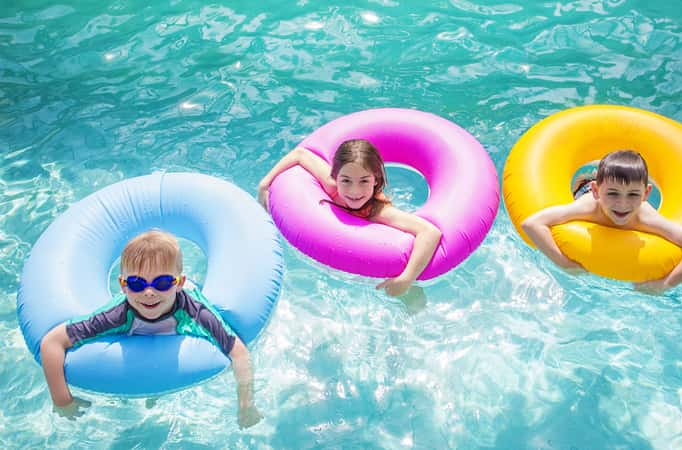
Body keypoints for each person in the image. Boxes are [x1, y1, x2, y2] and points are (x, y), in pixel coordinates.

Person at [39, 230, 262, 428]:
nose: (148, 292)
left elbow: (238, 352)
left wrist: (245, 405)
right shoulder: (116, 314)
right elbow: (52, 343)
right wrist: (62, 401)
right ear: (122, 285)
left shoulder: (195, 311)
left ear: (180, 283)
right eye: (136, 283)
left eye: (162, 283)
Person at [257, 139, 442, 297]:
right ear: (336, 177)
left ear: (376, 180)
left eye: (364, 181)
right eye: (346, 181)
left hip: (383, 270)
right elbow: (300, 154)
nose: (354, 191)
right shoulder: (331, 186)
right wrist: (265, 183)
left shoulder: (377, 211)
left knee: (412, 300)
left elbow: (430, 232)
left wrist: (407, 278)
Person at [521, 149, 682, 294]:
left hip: (606, 189)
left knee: (619, 187)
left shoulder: (646, 218)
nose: (622, 204)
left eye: (633, 194)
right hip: (585, 192)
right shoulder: (587, 208)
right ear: (598, 191)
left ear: (646, 194)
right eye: (613, 194)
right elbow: (531, 224)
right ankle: (591, 181)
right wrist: (562, 262)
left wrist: (665, 284)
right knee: (586, 186)